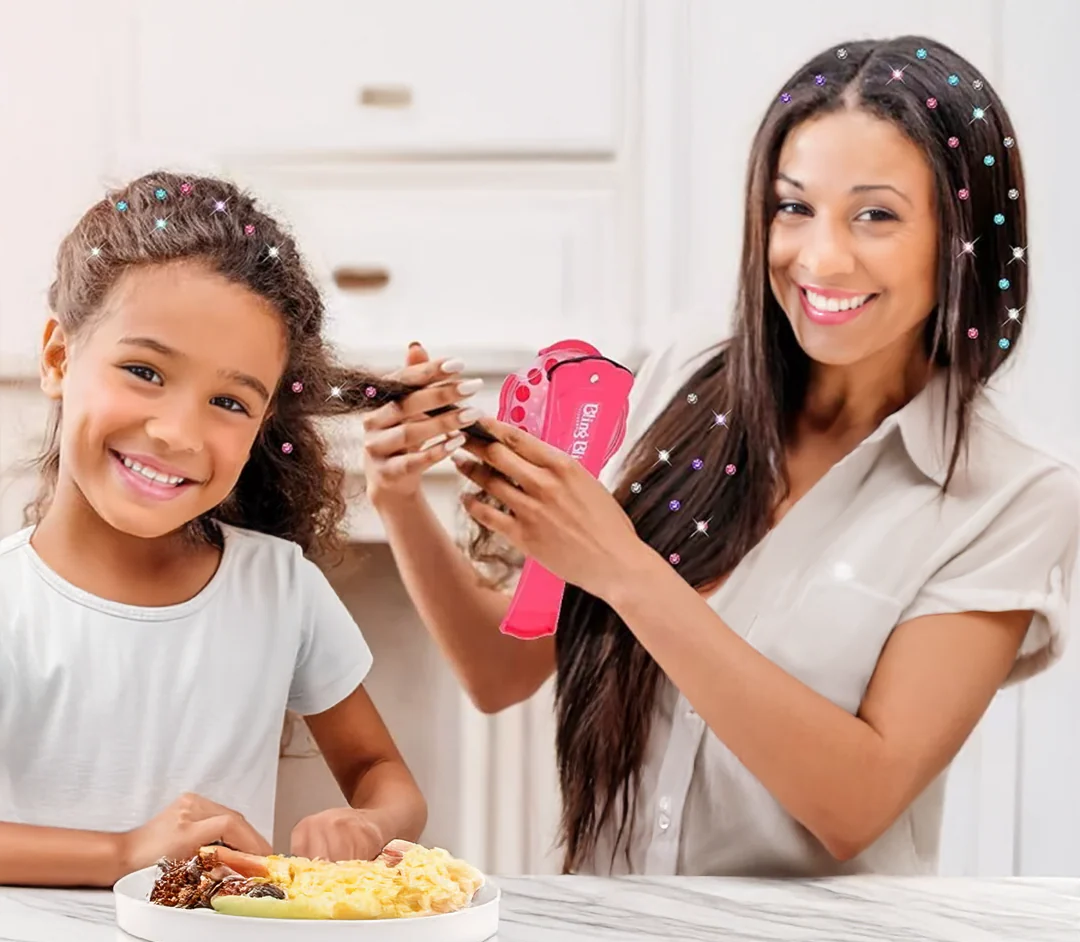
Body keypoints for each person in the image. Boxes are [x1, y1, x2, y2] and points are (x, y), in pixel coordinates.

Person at [362, 36, 1080, 876]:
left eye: (875, 215)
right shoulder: (681, 382)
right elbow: (501, 670)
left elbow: (857, 802)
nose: (820, 257)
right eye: (793, 207)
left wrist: (622, 567)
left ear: (961, 236)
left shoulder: (1008, 496)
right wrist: (401, 497)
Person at [0, 172, 436, 887]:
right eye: (144, 370)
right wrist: (119, 855)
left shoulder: (279, 588)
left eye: (229, 402)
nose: (176, 433)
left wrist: (368, 822)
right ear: (58, 357)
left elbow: (384, 776)